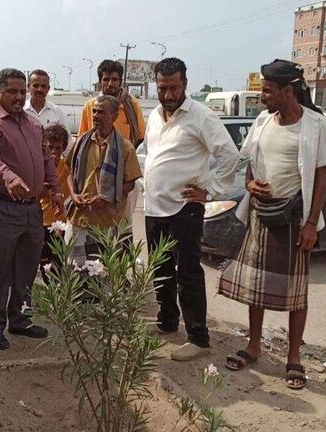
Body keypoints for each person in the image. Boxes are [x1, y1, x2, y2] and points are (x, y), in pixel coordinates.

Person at [218, 59, 326, 390]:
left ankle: (294, 358)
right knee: (256, 285)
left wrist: (311, 224)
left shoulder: (317, 125)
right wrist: (249, 184)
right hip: (261, 214)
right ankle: (254, 346)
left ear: (287, 91)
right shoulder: (261, 121)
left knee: (296, 292)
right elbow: (250, 164)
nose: (262, 96)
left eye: (268, 90)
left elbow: (320, 178)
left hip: (295, 219)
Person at [137, 58, 240, 361]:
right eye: (162, 87)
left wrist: (212, 192)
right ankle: (167, 322)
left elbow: (229, 155)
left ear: (185, 84)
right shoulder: (155, 115)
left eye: (174, 87)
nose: (168, 94)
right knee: (160, 269)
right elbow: (149, 153)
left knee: (188, 274)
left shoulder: (201, 116)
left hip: (184, 209)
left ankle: (198, 338)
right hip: (154, 207)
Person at [0, 68, 64, 350]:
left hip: (31, 209)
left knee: (25, 269)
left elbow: (46, 158)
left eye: (22, 92)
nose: (19, 97)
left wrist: (55, 189)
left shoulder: (33, 125)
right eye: (12, 91)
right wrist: (8, 175)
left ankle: (20, 320)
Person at [66, 95, 141, 266]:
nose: (96, 116)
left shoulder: (125, 147)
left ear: (114, 116)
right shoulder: (81, 142)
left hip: (107, 220)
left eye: (101, 112)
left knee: (104, 272)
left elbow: (130, 183)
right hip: (80, 216)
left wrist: (106, 197)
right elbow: (70, 172)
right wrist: (74, 195)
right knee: (75, 270)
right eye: (94, 111)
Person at [39, 124, 71, 277]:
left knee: (57, 260)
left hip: (60, 222)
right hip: (40, 220)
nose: (53, 152)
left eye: (58, 148)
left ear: (63, 148)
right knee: (43, 261)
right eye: (50, 147)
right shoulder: (38, 167)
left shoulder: (67, 168)